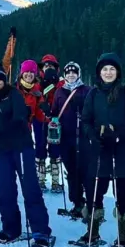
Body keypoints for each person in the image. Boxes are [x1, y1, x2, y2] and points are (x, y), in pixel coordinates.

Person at [0, 65, 53, 247]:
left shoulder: (13, 95)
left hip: (20, 146)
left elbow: (20, 116)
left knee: (30, 189)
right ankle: (11, 228)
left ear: (4, 81)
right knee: (4, 191)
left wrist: (8, 125)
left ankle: (41, 231)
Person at [75, 53, 125, 247]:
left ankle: (123, 237)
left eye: (112, 69)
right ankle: (92, 232)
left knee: (123, 192)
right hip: (99, 149)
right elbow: (86, 119)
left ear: (118, 72)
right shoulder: (93, 94)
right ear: (99, 72)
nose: (108, 72)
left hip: (122, 148)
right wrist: (93, 136)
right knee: (94, 191)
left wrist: (121, 135)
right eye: (104, 69)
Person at [50, 62, 88, 218]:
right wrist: (49, 114)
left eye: (74, 72)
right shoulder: (59, 91)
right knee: (71, 171)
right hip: (65, 138)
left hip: (83, 137)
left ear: (78, 74)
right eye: (68, 72)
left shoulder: (87, 91)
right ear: (64, 75)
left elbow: (93, 112)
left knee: (84, 171)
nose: (71, 75)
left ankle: (91, 204)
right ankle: (77, 202)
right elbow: (55, 113)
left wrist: (83, 106)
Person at [16, 60, 51, 191]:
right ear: (21, 73)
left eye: (32, 72)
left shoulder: (37, 92)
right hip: (11, 131)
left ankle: (30, 183)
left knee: (29, 157)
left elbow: (39, 116)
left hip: (26, 130)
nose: (29, 74)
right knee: (10, 161)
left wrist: (47, 113)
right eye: (26, 72)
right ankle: (4, 186)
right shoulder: (14, 89)